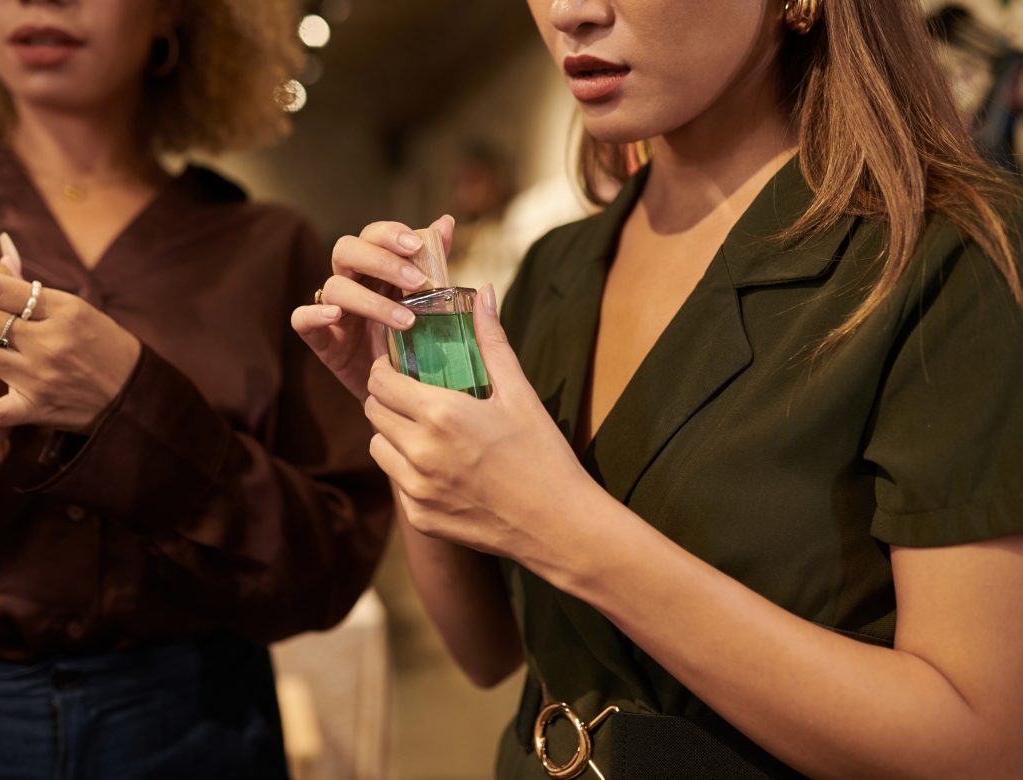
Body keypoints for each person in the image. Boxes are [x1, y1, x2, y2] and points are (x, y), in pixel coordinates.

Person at [293, 0, 1023, 777]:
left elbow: (976, 746)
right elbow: (487, 650)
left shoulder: (947, 256)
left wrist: (563, 523)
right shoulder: (558, 267)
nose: (570, 12)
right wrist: (408, 413)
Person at [0, 1, 390, 778]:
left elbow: (326, 577)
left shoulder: (269, 251)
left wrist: (138, 411)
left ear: (175, 13)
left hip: (197, 726)